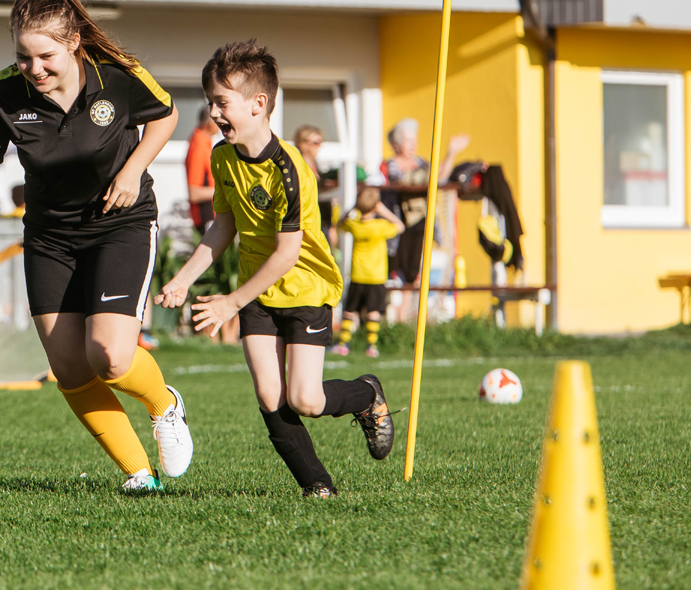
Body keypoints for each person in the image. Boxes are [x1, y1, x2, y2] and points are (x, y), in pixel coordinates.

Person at [0, 0, 191, 493]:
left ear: (73, 43)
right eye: (23, 57)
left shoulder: (118, 76)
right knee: (68, 365)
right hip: (49, 238)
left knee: (108, 356)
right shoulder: (5, 94)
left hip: (120, 224)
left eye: (45, 57)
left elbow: (167, 115)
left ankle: (165, 405)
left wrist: (132, 171)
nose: (33, 69)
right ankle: (138, 475)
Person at [155, 40, 392, 499]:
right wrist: (182, 280)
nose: (213, 112)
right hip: (257, 291)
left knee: (306, 398)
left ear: (259, 104)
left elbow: (286, 253)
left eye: (222, 102)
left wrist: (229, 302)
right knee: (270, 396)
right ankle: (318, 486)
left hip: (303, 286)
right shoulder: (222, 158)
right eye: (210, 102)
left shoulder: (290, 169)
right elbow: (223, 227)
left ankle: (366, 394)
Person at [381, 119, 469, 284]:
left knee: (412, 272)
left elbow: (438, 178)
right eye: (408, 141)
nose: (413, 145)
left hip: (419, 222)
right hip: (398, 225)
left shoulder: (421, 163)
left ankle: (408, 310)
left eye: (414, 140)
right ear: (396, 144)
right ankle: (396, 309)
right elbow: (406, 180)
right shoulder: (390, 165)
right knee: (396, 269)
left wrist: (451, 154)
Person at [331, 186, 404, 357]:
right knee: (373, 311)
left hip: (358, 274)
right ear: (376, 206)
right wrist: (383, 211)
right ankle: (372, 346)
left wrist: (353, 208)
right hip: (376, 276)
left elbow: (341, 223)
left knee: (350, 309)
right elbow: (400, 226)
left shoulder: (354, 225)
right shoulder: (380, 226)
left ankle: (343, 344)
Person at [291, 125, 337, 246]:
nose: (319, 146)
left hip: (323, 218)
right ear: (302, 143)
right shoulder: (298, 164)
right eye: (316, 142)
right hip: (309, 220)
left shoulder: (315, 163)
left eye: (320, 142)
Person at [184, 107, 220, 235]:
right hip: (205, 217)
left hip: (211, 216)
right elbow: (194, 193)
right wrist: (225, 190)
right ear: (210, 123)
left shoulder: (205, 142)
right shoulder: (198, 145)